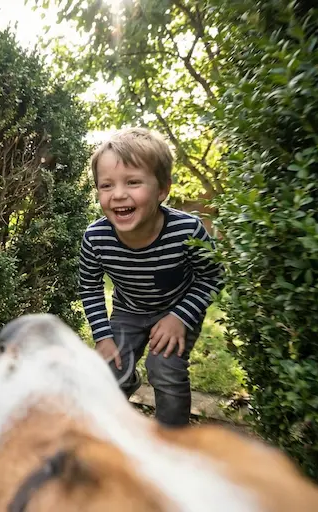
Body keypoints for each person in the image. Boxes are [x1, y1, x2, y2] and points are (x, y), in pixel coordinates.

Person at [78, 127, 223, 427]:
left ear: (162, 190)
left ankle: (172, 441)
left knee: (164, 368)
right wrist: (102, 337)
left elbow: (211, 276)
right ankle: (111, 431)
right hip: (129, 311)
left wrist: (180, 318)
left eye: (133, 182)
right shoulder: (95, 237)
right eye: (106, 185)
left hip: (177, 311)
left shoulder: (187, 230)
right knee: (109, 370)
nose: (118, 194)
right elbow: (90, 287)